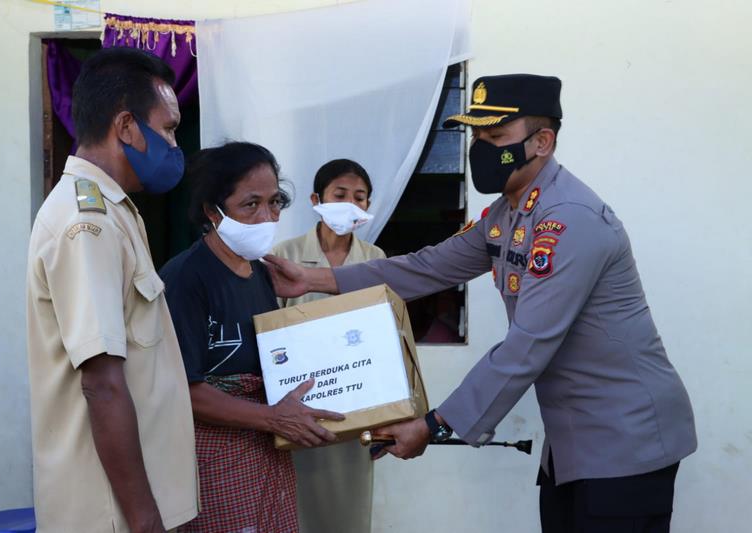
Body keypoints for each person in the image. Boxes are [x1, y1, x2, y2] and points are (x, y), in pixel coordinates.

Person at [264, 74, 698, 532]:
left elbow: (528, 343)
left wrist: (433, 424)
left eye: (496, 137)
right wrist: (313, 278)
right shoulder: (509, 213)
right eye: (475, 137)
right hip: (574, 440)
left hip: (624, 440)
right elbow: (426, 267)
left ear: (542, 141)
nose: (481, 150)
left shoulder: (569, 220)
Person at [26, 48, 198, 533]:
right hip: (111, 514)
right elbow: (101, 382)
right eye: (166, 128)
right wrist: (144, 521)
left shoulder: (116, 210)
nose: (172, 143)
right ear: (126, 126)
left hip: (132, 504)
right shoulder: (89, 223)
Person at [159, 142, 345, 533]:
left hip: (267, 457)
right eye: (250, 204)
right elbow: (182, 388)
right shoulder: (186, 280)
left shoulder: (262, 275)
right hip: (212, 462)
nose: (267, 217)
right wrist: (272, 418)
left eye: (274, 202)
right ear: (213, 211)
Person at [271, 158, 385, 533]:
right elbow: (271, 331)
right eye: (340, 195)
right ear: (316, 199)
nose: (351, 203)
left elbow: (385, 334)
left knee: (348, 511)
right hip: (297, 404)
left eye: (360, 197)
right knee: (297, 506)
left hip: (357, 403)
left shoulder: (375, 259)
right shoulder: (284, 255)